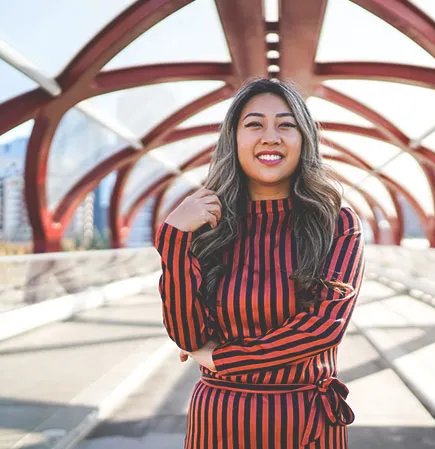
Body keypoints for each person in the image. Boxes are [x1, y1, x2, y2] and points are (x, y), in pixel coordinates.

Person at [154, 78, 365, 448]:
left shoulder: (336, 224)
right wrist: (174, 237)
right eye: (254, 125)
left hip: (304, 425)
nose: (271, 137)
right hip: (218, 423)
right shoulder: (208, 225)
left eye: (286, 125)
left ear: (305, 140)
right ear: (233, 139)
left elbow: (320, 329)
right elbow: (186, 336)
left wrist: (220, 358)